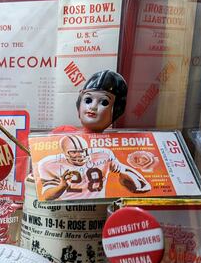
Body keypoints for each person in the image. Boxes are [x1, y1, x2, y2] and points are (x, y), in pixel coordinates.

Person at [39, 70, 150, 200]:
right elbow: (43, 191)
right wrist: (62, 185)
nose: (93, 107)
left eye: (104, 102)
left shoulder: (109, 150)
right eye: (88, 100)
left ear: (116, 109)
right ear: (79, 101)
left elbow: (142, 187)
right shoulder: (62, 134)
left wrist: (122, 171)